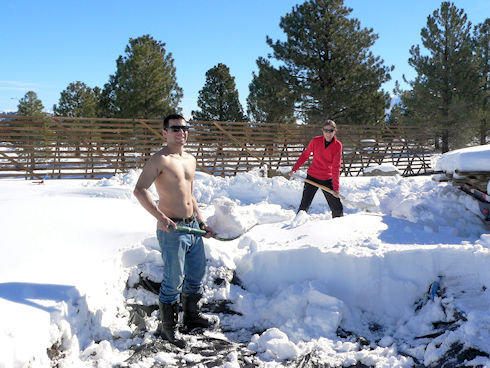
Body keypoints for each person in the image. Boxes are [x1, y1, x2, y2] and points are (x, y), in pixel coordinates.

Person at [133, 113, 214, 348]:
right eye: (176, 128)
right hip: (173, 228)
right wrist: (160, 217)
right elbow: (140, 190)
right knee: (173, 279)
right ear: (165, 132)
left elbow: (190, 194)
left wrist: (201, 222)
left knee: (196, 275)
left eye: (184, 128)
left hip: (192, 228)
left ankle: (191, 317)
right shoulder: (159, 160)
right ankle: (168, 328)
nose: (181, 132)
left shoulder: (190, 159)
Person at [289, 120, 344, 218]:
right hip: (312, 177)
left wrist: (336, 188)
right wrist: (294, 169)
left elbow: (336, 167)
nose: (328, 133)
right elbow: (305, 155)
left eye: (331, 130)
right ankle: (296, 226)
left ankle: (338, 228)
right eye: (326, 130)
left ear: (335, 131)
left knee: (337, 209)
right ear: (322, 130)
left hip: (327, 179)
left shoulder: (337, 145)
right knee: (304, 207)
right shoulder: (315, 141)